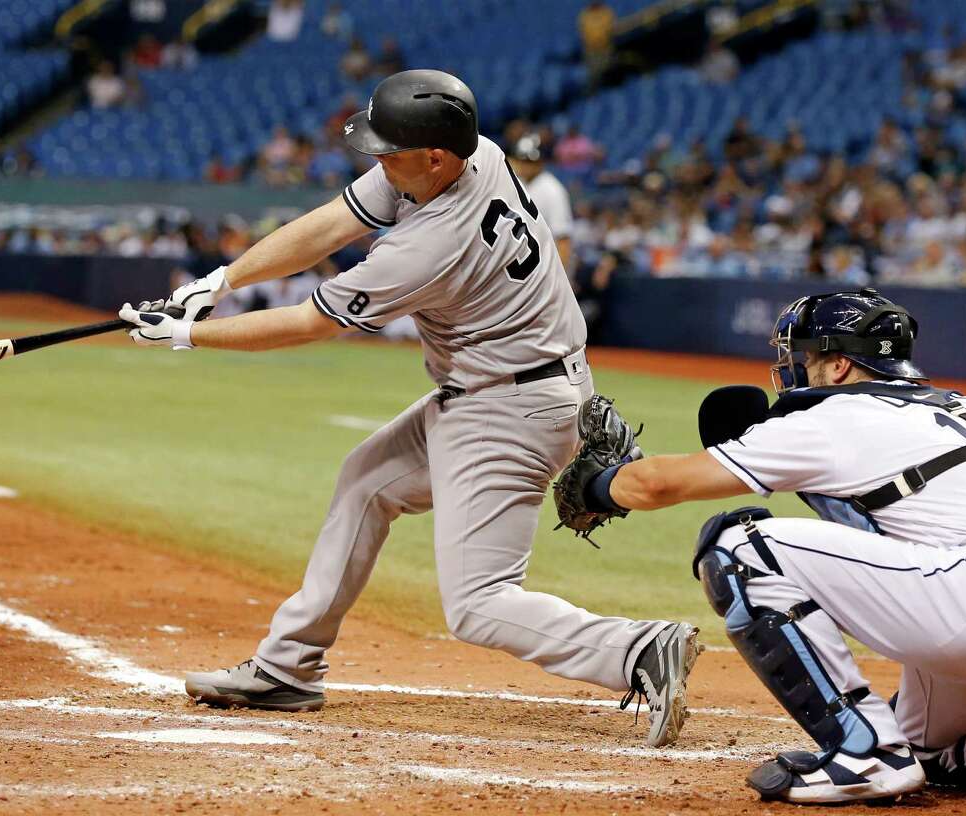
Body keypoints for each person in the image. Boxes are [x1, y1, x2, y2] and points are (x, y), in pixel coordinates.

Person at [118, 69, 701, 748]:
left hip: (506, 410)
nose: (376, 161)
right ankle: (288, 667)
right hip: (508, 387)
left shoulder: (429, 244)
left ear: (435, 157)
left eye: (388, 151)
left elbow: (309, 322)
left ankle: (637, 651)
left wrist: (187, 334)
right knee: (367, 481)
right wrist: (219, 282)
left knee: (479, 603)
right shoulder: (471, 151)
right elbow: (332, 222)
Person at [554, 288, 966, 802]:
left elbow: (656, 484)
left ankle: (866, 754)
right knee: (931, 748)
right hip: (960, 589)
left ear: (841, 366)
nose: (797, 369)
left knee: (740, 546)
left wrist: (595, 486)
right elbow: (889, 531)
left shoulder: (834, 419)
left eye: (807, 357)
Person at [509, 132, 575, 276]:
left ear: (541, 162)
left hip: (547, 270)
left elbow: (563, 239)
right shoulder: (518, 183)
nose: (525, 165)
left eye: (530, 161)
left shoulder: (553, 190)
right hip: (526, 269)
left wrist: (559, 278)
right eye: (522, 160)